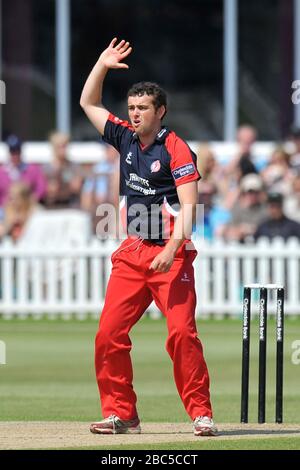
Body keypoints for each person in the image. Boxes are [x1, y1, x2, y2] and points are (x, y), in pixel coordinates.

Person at [80, 38, 217, 437]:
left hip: (171, 254)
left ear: (161, 112)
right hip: (133, 252)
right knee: (108, 334)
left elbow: (191, 208)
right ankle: (122, 415)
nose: (135, 114)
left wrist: (172, 250)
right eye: (132, 108)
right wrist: (102, 65)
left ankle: (201, 414)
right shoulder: (124, 137)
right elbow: (89, 104)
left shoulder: (175, 148)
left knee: (181, 334)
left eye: (143, 109)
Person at [0, 135, 47, 207]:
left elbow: (41, 187)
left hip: (27, 207)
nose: (15, 155)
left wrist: (33, 198)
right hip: (6, 209)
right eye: (13, 152)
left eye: (17, 152)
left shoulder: (33, 169)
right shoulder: (2, 172)